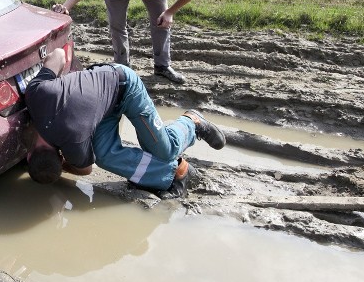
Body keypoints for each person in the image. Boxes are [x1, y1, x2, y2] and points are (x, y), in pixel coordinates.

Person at [23, 48, 225, 199]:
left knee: (165, 150)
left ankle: (192, 122)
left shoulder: (74, 143)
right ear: (29, 153)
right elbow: (58, 53)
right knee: (104, 157)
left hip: (123, 85)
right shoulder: (35, 94)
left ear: (61, 156)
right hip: (99, 108)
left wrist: (62, 166)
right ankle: (176, 172)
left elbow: (85, 170)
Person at [52, 0, 200, 84]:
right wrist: (65, 7)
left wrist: (169, 12)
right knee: (117, 24)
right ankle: (122, 67)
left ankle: (162, 67)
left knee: (162, 23)